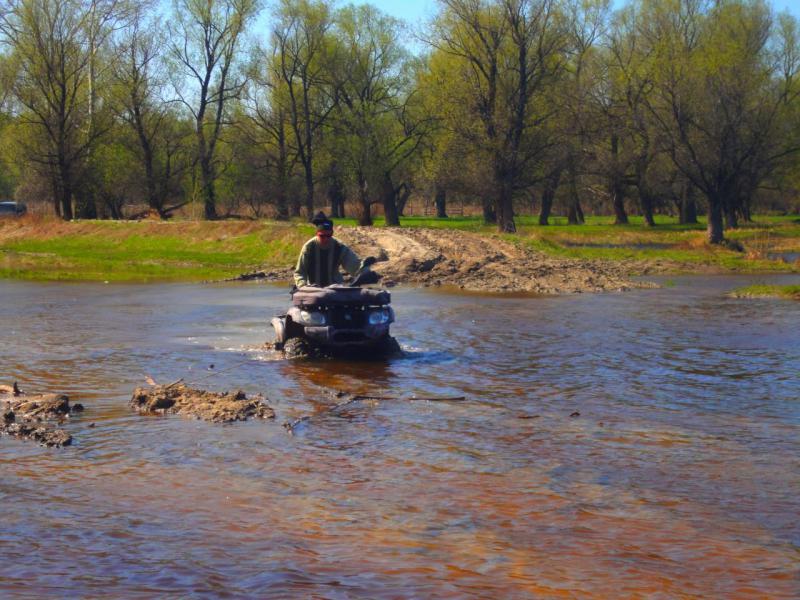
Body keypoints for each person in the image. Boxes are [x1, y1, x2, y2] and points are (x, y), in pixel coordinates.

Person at [294, 212, 362, 288]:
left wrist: (366, 271)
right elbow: (299, 273)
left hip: (335, 289)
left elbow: (355, 266)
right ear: (317, 233)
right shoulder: (309, 247)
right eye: (322, 236)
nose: (325, 239)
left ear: (332, 233)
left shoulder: (339, 246)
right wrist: (303, 286)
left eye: (328, 235)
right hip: (313, 290)